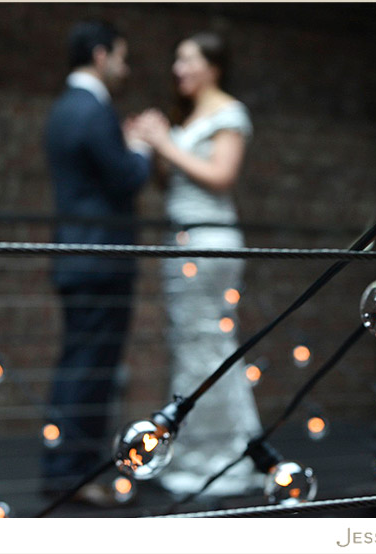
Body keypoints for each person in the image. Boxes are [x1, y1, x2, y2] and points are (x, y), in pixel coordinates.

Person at [130, 31, 264, 496]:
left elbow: (221, 176)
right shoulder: (188, 118)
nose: (178, 69)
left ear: (213, 66)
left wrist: (165, 142)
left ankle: (215, 457)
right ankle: (218, 448)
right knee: (196, 346)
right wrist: (148, 145)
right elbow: (173, 183)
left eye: (187, 60)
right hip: (181, 240)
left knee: (207, 347)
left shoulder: (229, 114)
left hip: (210, 242)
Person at [41, 20, 151, 504]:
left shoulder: (63, 108)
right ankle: (73, 475)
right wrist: (141, 147)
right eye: (122, 57)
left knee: (77, 366)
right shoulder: (93, 109)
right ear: (101, 55)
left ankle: (66, 469)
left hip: (76, 256)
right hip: (101, 259)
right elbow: (126, 177)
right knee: (91, 372)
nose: (125, 69)